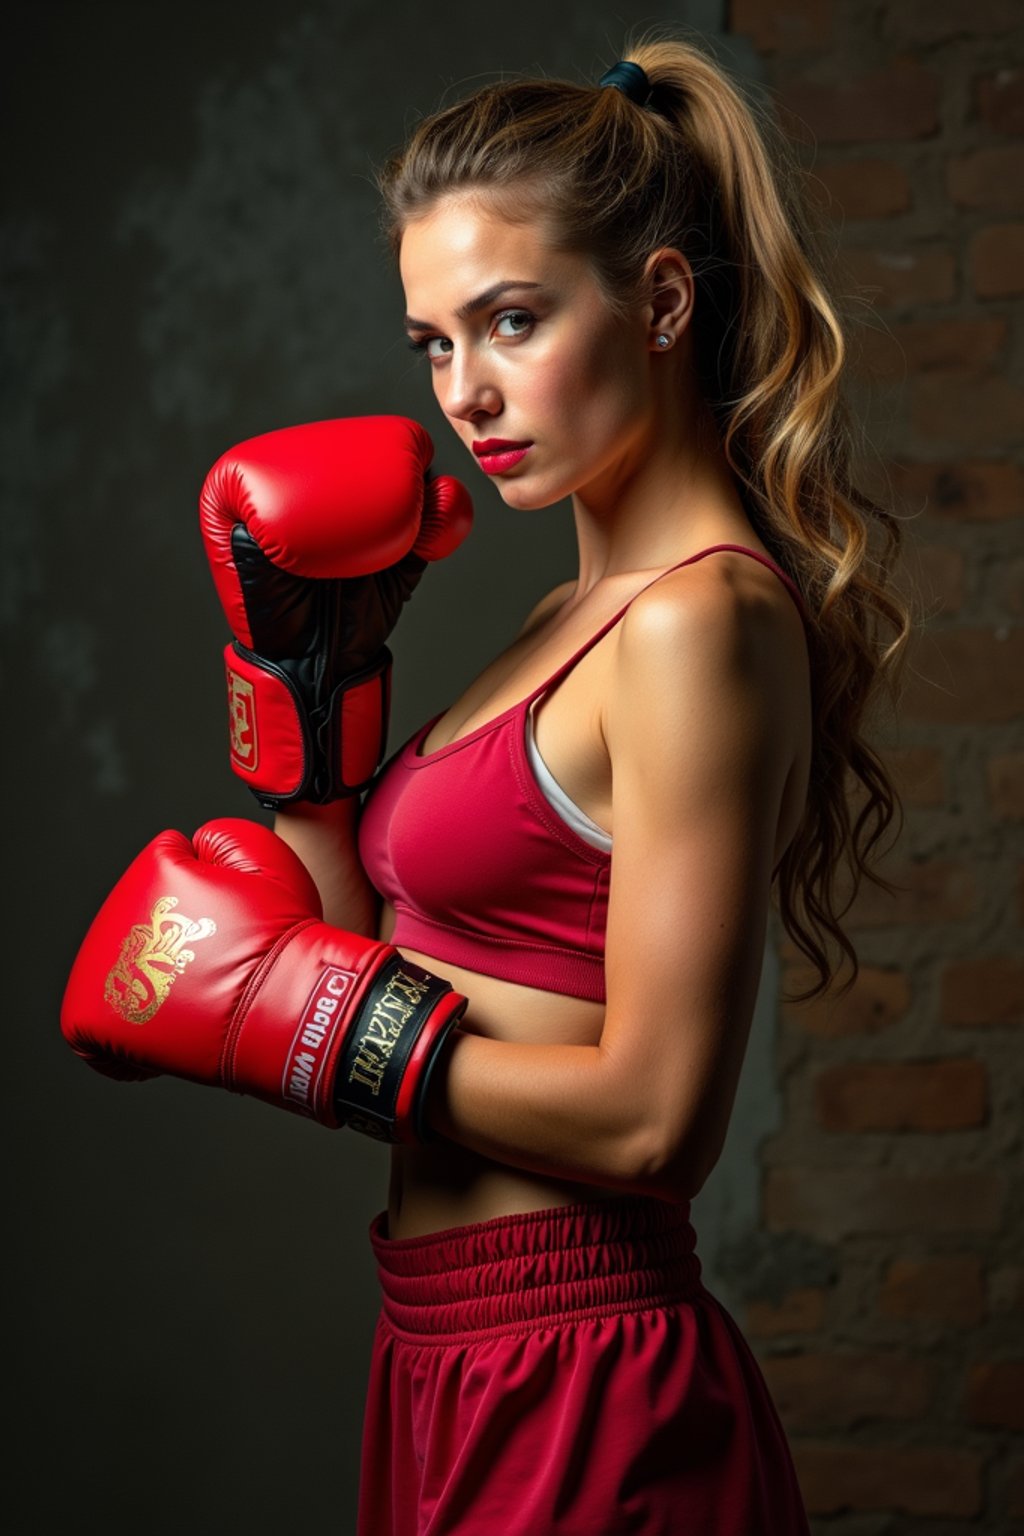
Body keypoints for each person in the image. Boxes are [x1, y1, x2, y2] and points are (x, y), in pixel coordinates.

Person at [61, 33, 911, 1536]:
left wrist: (306, 1019)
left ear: (657, 302)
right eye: (434, 344)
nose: (469, 390)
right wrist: (307, 715)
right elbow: (360, 950)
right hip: (440, 1343)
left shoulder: (701, 621)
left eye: (511, 322)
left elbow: (657, 1122)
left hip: (582, 1365)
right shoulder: (551, 626)